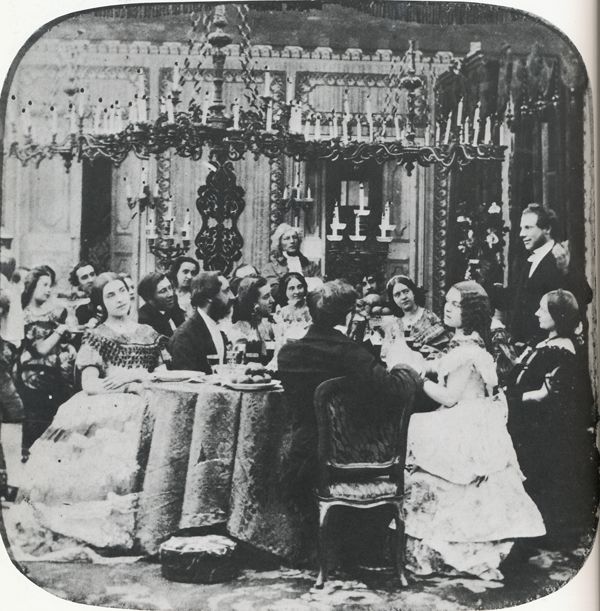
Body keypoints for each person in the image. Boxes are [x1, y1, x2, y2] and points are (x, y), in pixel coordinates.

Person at [14, 272, 169, 553]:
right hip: (109, 407)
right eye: (110, 295)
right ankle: (112, 528)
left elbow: (162, 373)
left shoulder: (148, 334)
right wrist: (123, 385)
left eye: (122, 291)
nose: (119, 299)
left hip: (147, 398)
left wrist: (137, 379)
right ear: (100, 304)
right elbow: (90, 384)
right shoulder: (97, 337)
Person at [403, 280, 545, 581]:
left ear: (471, 312)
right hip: (479, 417)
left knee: (451, 475)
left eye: (456, 305)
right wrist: (428, 366)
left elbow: (449, 397)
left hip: (465, 420)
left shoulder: (466, 349)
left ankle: (463, 551)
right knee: (464, 487)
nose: (448, 308)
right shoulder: (471, 343)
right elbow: (452, 369)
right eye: (448, 302)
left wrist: (418, 379)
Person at [278, 279, 424, 502]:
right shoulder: (351, 354)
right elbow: (396, 391)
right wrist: (404, 368)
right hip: (354, 455)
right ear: (347, 316)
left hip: (301, 458)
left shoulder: (287, 355)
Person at [507, 289, 597, 548]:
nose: (537, 313)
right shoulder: (545, 343)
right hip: (527, 421)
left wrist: (511, 401)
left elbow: (545, 396)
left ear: (558, 316)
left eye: (543, 309)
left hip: (541, 430)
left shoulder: (562, 351)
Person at [16, 267, 77, 462]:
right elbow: (40, 349)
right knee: (36, 424)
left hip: (54, 375)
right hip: (32, 376)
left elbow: (63, 342)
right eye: (44, 285)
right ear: (32, 286)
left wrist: (68, 345)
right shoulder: (24, 316)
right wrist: (60, 332)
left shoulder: (53, 315)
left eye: (50, 285)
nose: (48, 290)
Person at [509, 204, 592, 345]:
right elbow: (516, 298)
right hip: (526, 348)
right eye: (521, 228)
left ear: (547, 229)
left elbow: (586, 296)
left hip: (552, 348)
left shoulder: (561, 256)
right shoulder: (530, 259)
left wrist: (566, 270)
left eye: (528, 228)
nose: (521, 234)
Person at [168, 272, 233, 373]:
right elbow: (187, 379)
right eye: (226, 291)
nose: (232, 296)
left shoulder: (215, 327)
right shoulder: (185, 336)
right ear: (209, 297)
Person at [381, 275, 449, 359]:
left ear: (413, 292)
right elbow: (387, 354)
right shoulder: (394, 324)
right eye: (397, 295)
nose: (403, 297)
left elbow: (442, 351)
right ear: (393, 299)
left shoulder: (430, 317)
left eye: (406, 291)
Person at [263, 224, 320, 295]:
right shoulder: (271, 268)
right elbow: (274, 291)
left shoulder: (311, 265)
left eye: (294, 237)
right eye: (287, 238)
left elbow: (320, 287)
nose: (292, 241)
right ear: (279, 243)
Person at [229, 276, 275, 364]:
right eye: (266, 297)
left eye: (271, 295)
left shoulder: (268, 325)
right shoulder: (238, 332)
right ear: (253, 303)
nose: (272, 300)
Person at [137, 272, 185, 338]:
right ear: (149, 298)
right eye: (163, 291)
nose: (171, 294)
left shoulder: (171, 305)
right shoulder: (143, 320)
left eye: (170, 287)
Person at [272, 272, 312, 344]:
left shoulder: (312, 310)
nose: (297, 291)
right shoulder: (281, 313)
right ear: (285, 291)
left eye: (300, 287)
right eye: (291, 288)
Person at [69, 261, 99, 326]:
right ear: (78, 283)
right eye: (85, 277)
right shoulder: (78, 306)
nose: (90, 280)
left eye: (92, 274)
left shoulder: (106, 295)